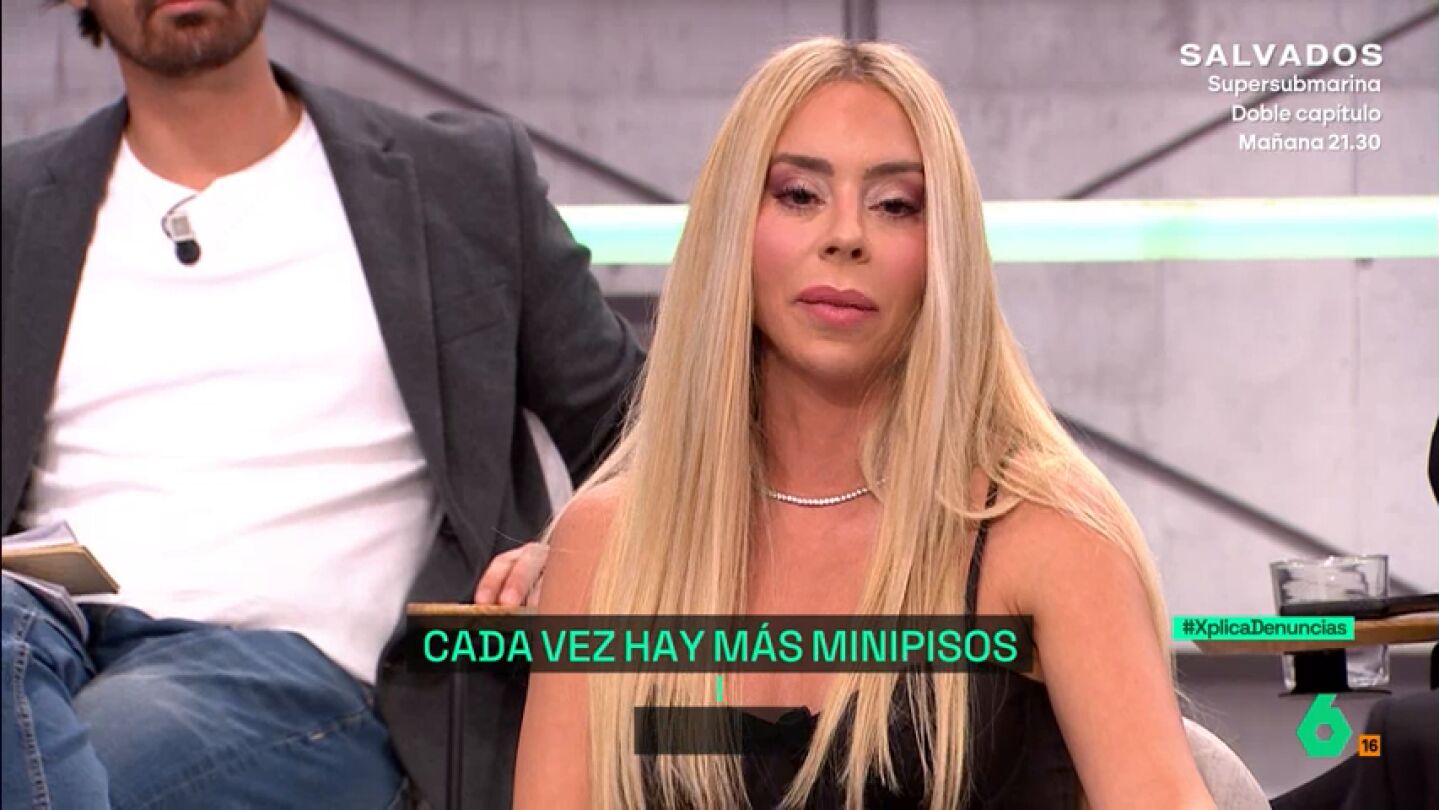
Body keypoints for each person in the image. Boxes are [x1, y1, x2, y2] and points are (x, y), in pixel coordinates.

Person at [514, 37, 1214, 809]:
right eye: (799, 195)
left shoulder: (1046, 533)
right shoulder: (607, 546)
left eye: (894, 205)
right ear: (732, 228)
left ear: (941, 250)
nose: (845, 235)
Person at [1, 1, 642, 807]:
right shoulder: (17, 207)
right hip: (46, 635)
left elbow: (649, 427)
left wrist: (579, 550)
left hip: (321, 689)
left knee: (98, 747)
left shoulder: (462, 182)